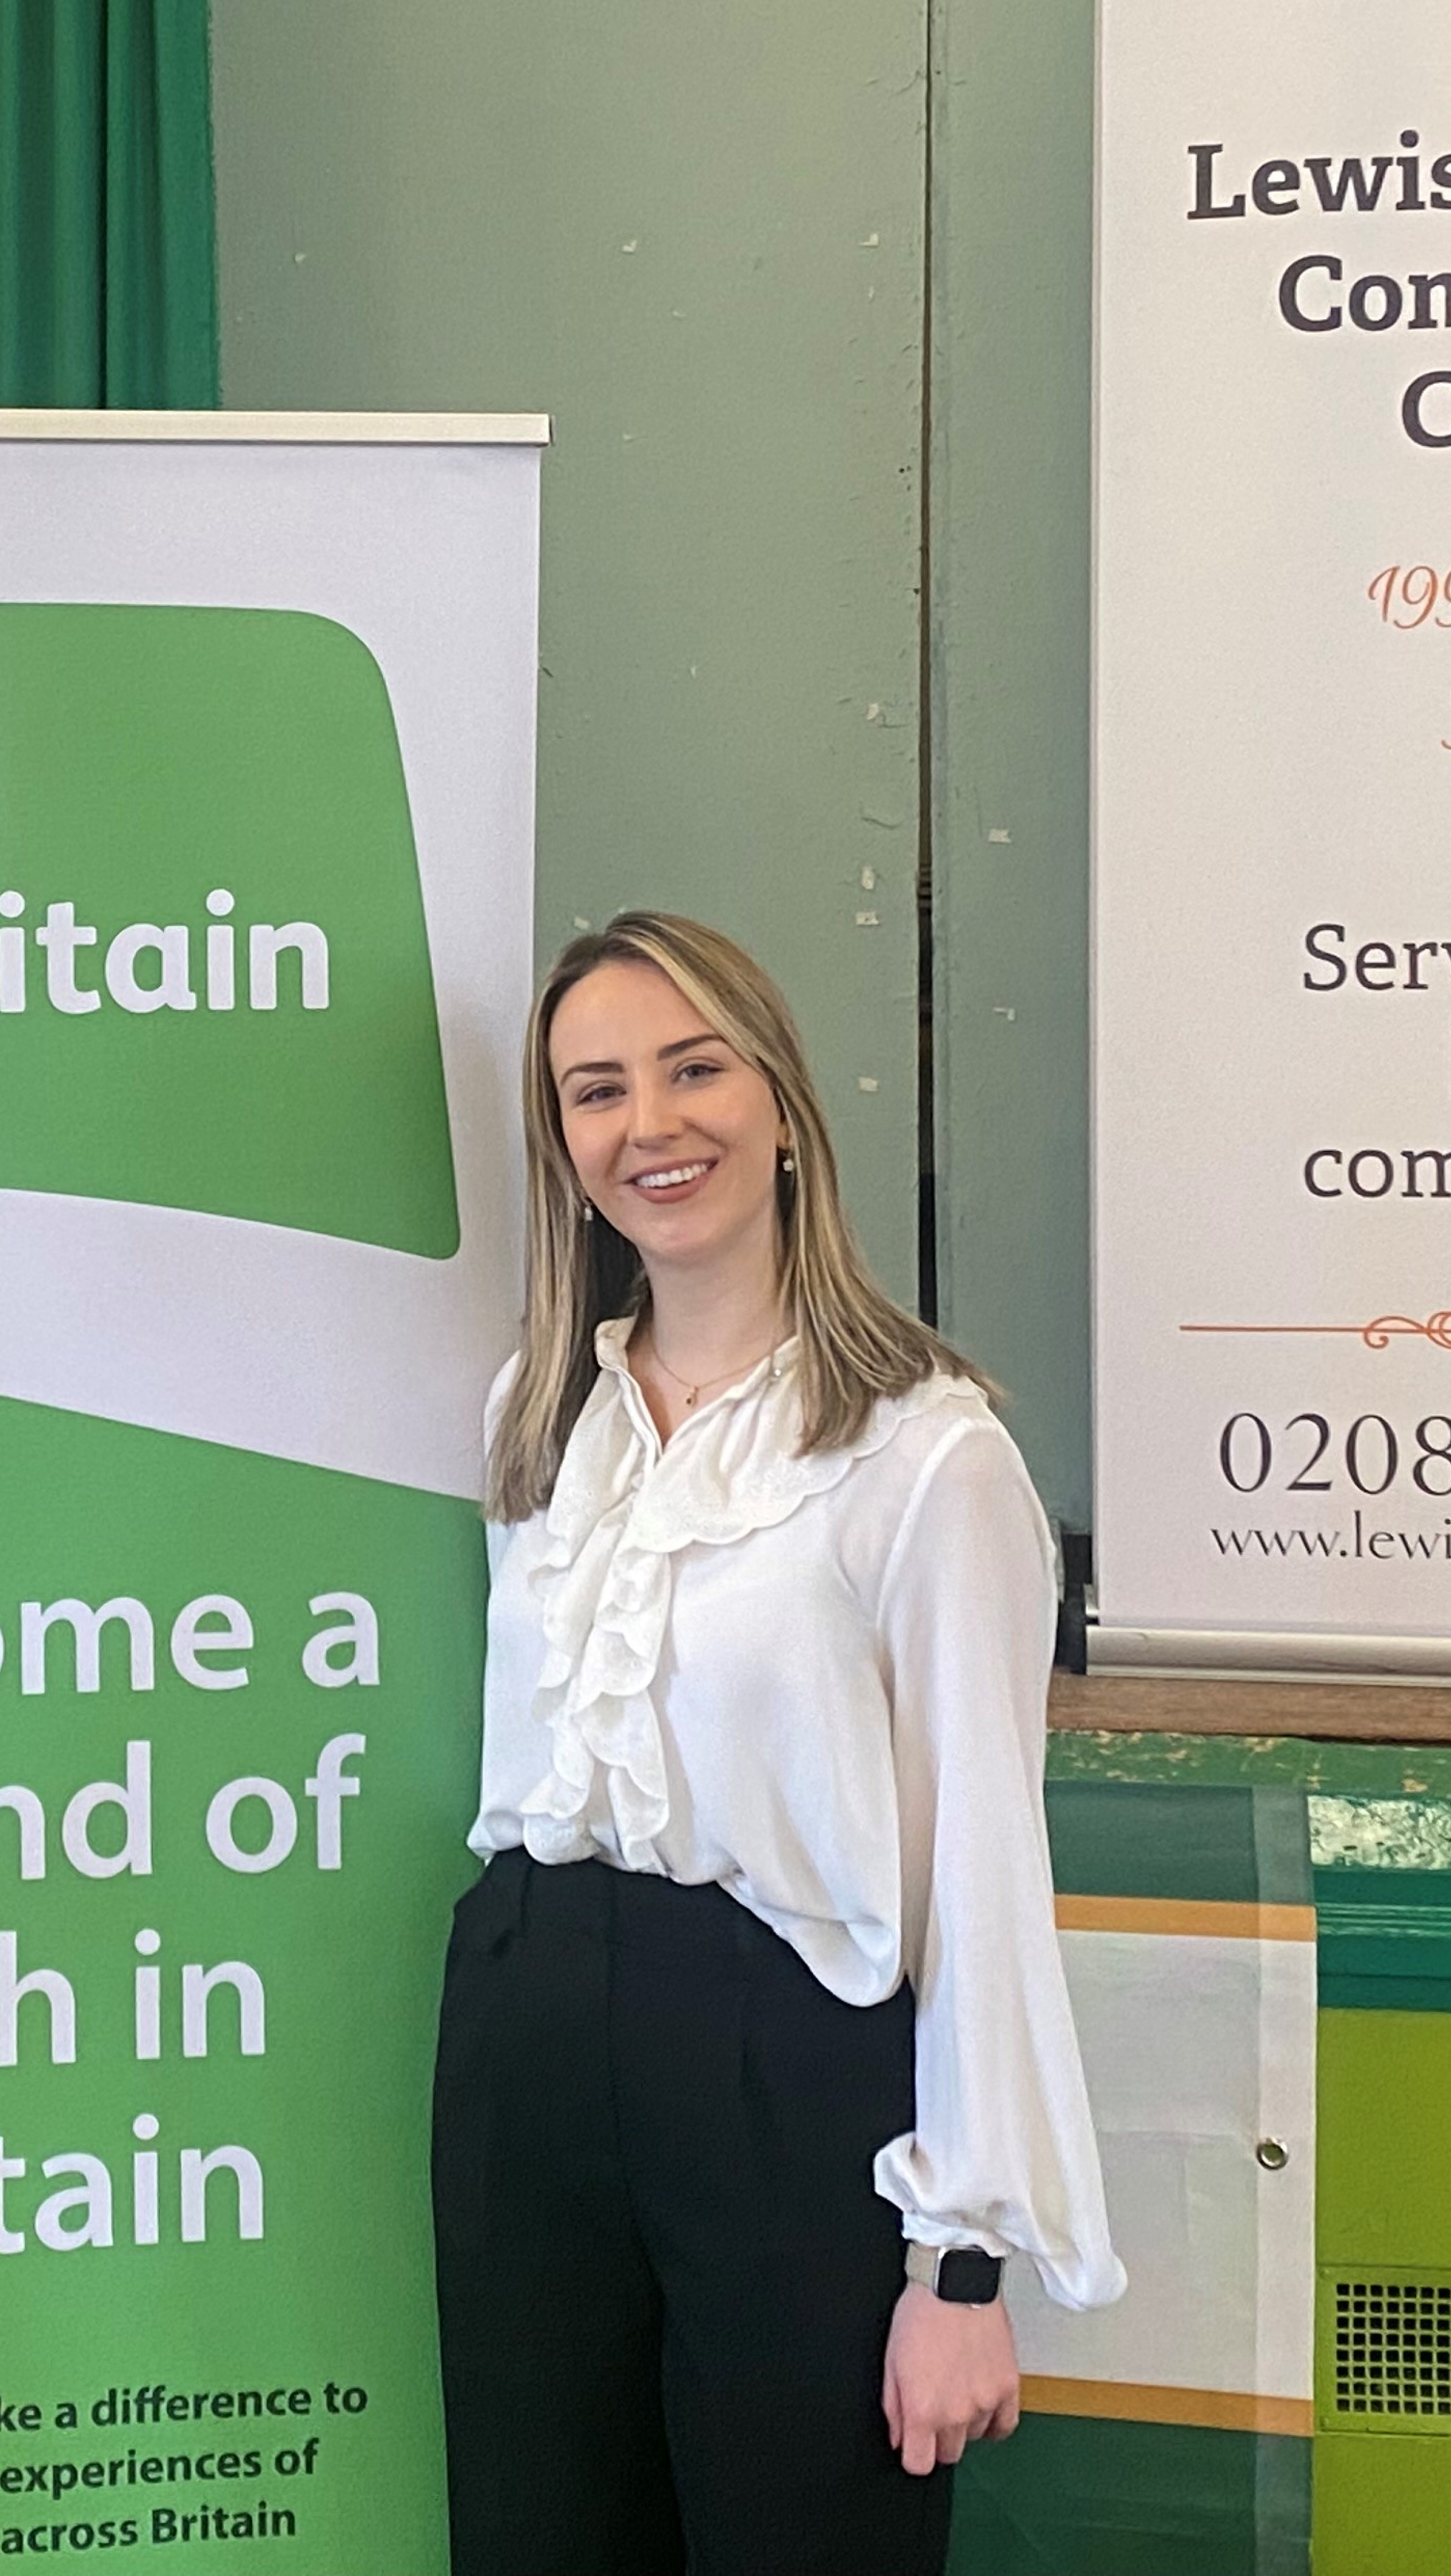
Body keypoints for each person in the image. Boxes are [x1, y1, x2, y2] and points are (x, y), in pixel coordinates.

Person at [436, 912, 1120, 2576]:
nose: (649, 1127)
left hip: (781, 2066)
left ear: (787, 1108)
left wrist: (959, 2270)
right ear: (565, 1146)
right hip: (526, 2032)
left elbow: (982, 1873)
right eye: (598, 1092)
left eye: (694, 1070)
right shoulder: (541, 1418)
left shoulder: (925, 1457)